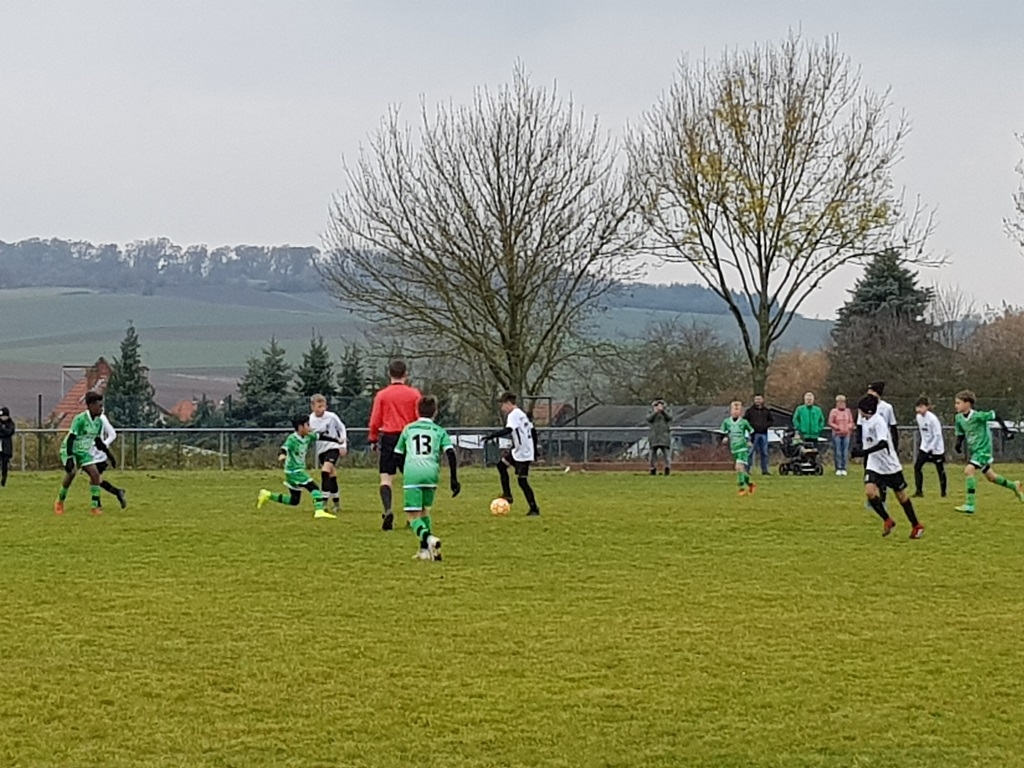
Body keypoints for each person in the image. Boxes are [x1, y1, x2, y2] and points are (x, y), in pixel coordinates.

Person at [394, 395, 460, 561]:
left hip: (413, 472)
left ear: (417, 411)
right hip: (431, 473)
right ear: (435, 412)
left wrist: (405, 471)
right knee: (424, 511)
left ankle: (429, 539)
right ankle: (424, 551)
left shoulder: (408, 429)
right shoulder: (439, 431)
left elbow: (397, 454)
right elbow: (451, 454)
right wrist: (453, 479)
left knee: (412, 516)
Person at [851, 394, 924, 539]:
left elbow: (883, 443)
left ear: (868, 410)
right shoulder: (865, 420)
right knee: (870, 492)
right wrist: (859, 448)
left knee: (901, 496)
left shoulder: (878, 422)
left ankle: (916, 525)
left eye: (860, 409)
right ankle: (887, 520)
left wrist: (864, 452)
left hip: (889, 465)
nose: (859, 412)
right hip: (874, 464)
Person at [257, 414, 345, 519]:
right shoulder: (292, 439)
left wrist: (336, 440)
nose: (310, 427)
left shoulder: (308, 436)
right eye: (307, 425)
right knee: (314, 488)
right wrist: (282, 454)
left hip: (291, 472)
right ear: (300, 427)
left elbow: (320, 436)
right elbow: (284, 448)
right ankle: (319, 511)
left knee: (294, 500)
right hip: (294, 471)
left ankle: (267, 495)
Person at [368, 360, 421, 531]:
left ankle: (388, 510)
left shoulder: (382, 395)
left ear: (389, 374)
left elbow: (375, 420)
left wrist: (373, 438)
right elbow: (419, 417)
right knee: (411, 478)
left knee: (386, 478)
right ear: (406, 374)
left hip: (389, 437)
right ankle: (413, 517)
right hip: (408, 437)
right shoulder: (414, 394)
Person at [952, 390, 1023, 514]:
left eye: (958, 403)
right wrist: (958, 444)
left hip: (984, 450)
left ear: (967, 403)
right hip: (975, 451)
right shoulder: (958, 418)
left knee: (969, 470)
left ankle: (970, 505)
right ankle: (1014, 486)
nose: (955, 405)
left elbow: (995, 415)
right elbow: (961, 432)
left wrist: (1006, 431)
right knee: (991, 477)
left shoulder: (978, 416)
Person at [54, 391, 116, 516]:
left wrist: (109, 455)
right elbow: (71, 439)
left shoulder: (98, 422)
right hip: (70, 450)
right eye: (99, 406)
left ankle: (95, 507)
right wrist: (70, 458)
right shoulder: (80, 419)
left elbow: (98, 441)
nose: (101, 409)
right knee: (71, 473)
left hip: (83, 452)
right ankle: (59, 501)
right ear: (91, 405)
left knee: (95, 475)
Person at [484, 392, 541, 516]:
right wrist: (535, 449)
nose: (502, 408)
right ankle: (507, 495)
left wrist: (492, 435)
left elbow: (508, 430)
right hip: (520, 451)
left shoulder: (513, 415)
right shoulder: (521, 414)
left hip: (523, 454)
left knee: (522, 481)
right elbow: (533, 431)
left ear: (509, 403)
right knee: (501, 466)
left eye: (503, 404)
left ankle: (534, 508)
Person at [309, 394, 347, 513]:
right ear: (312, 407)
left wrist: (343, 445)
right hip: (321, 450)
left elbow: (341, 428)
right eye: (319, 406)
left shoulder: (331, 417)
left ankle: (324, 502)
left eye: (323, 406)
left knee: (325, 471)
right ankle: (336, 503)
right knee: (332, 475)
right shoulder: (310, 420)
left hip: (333, 447)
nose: (322, 409)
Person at [89, 410, 127, 509]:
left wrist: (103, 445)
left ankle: (97, 505)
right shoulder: (87, 417)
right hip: (91, 455)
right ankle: (118, 492)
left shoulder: (102, 418)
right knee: (96, 480)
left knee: (94, 480)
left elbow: (112, 434)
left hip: (99, 456)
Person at [913, 396, 947, 498]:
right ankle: (919, 491)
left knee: (940, 469)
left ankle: (943, 492)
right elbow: (923, 433)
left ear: (927, 407)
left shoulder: (933, 419)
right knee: (917, 467)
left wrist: (932, 447)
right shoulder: (918, 417)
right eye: (917, 407)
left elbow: (937, 434)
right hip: (925, 447)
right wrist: (924, 447)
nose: (919, 409)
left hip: (936, 449)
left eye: (921, 407)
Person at [721, 400, 756, 496]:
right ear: (730, 410)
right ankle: (750, 483)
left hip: (742, 448)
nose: (736, 412)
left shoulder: (744, 422)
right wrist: (724, 438)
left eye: (738, 410)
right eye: (734, 409)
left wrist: (749, 441)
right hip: (733, 448)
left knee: (739, 467)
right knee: (740, 469)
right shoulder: (727, 422)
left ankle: (741, 488)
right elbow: (723, 432)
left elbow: (752, 432)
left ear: (741, 411)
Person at [743, 394, 773, 475]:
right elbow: (745, 421)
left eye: (759, 399)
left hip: (764, 434)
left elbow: (771, 421)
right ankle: (747, 469)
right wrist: (751, 427)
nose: (758, 401)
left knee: (764, 453)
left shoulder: (766, 411)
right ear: (754, 400)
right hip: (753, 435)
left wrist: (765, 426)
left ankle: (765, 470)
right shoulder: (749, 411)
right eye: (756, 399)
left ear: (762, 400)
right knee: (750, 452)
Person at [827, 395, 855, 476]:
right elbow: (830, 422)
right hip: (837, 434)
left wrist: (848, 427)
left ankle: (844, 468)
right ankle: (838, 468)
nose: (841, 404)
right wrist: (837, 427)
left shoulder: (848, 411)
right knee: (838, 451)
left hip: (846, 434)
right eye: (839, 402)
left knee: (845, 451)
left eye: (843, 402)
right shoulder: (833, 411)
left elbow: (851, 422)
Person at [646, 399, 672, 476]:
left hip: (664, 436)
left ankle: (667, 468)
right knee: (652, 455)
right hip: (654, 437)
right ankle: (652, 469)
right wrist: (656, 412)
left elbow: (669, 417)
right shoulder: (651, 410)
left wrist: (663, 411)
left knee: (666, 455)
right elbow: (649, 419)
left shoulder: (667, 410)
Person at [0, 406, 15, 487]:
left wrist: (2, 430)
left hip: (6, 448)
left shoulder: (10, 423)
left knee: (5, 464)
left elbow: (9, 432)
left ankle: (4, 477)